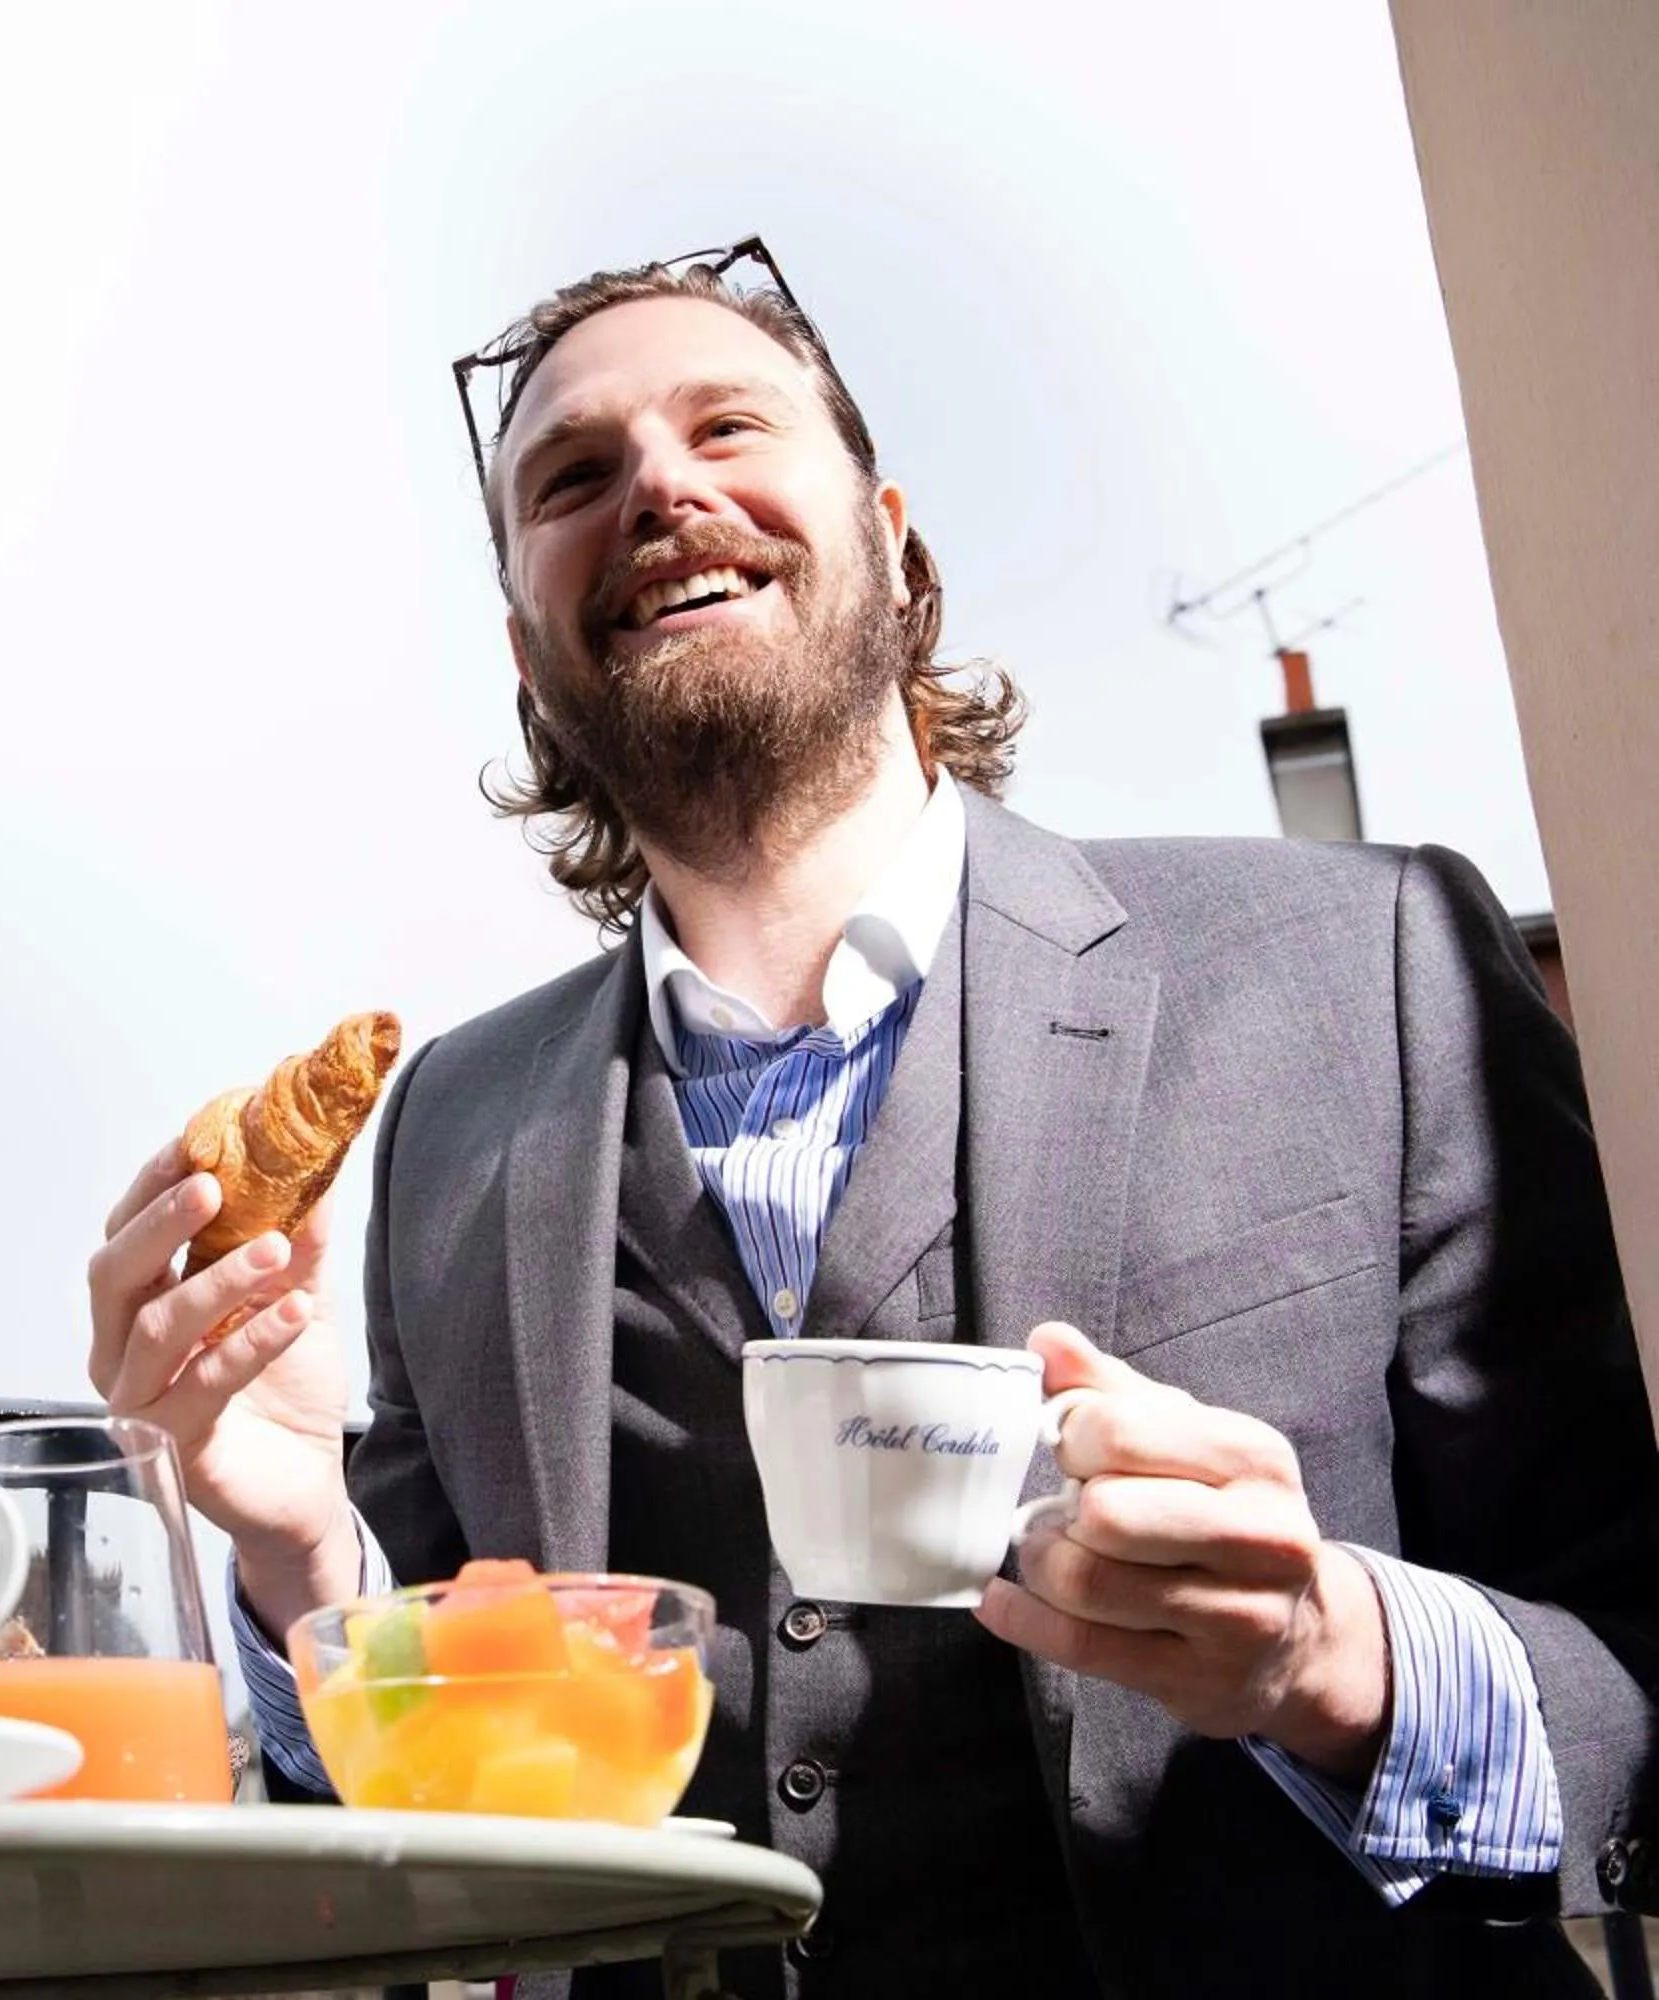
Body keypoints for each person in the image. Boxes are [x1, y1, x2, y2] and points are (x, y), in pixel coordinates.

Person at [85, 244, 1659, 1997]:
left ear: (898, 550)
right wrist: (300, 1545)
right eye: (575, 479)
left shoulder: (1367, 961)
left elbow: (1646, 1680)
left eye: (727, 425)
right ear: (530, 658)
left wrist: (1334, 1653)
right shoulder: (451, 1133)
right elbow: (440, 1811)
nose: (662, 490)